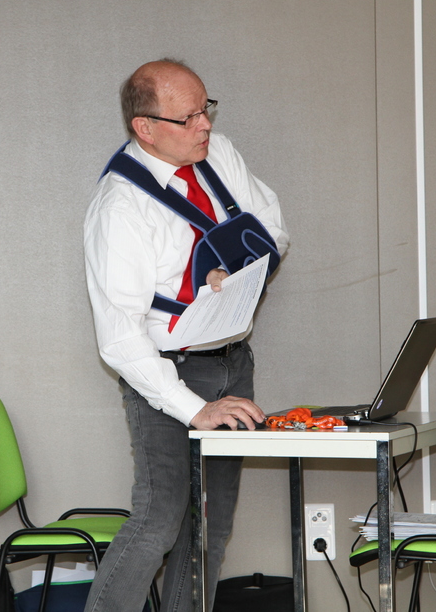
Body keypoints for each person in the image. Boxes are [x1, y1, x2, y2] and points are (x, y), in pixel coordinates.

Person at [83, 59, 289, 612]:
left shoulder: (218, 154)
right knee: (159, 521)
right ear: (145, 127)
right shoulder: (120, 206)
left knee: (211, 528)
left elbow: (274, 227)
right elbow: (119, 339)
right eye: (188, 117)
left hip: (232, 363)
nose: (205, 126)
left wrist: (238, 266)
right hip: (166, 372)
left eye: (206, 109)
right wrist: (194, 409)